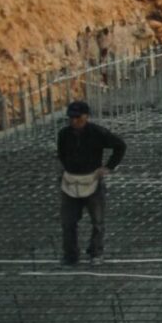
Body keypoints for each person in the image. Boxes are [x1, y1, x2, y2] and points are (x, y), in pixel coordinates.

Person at [57, 101, 126, 267]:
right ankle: (71, 255)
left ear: (86, 116)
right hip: (70, 181)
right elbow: (61, 153)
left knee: (97, 221)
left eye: (77, 117)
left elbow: (120, 145)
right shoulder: (64, 134)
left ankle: (96, 252)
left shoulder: (97, 133)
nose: (73, 121)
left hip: (92, 180)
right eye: (71, 118)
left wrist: (108, 167)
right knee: (68, 222)